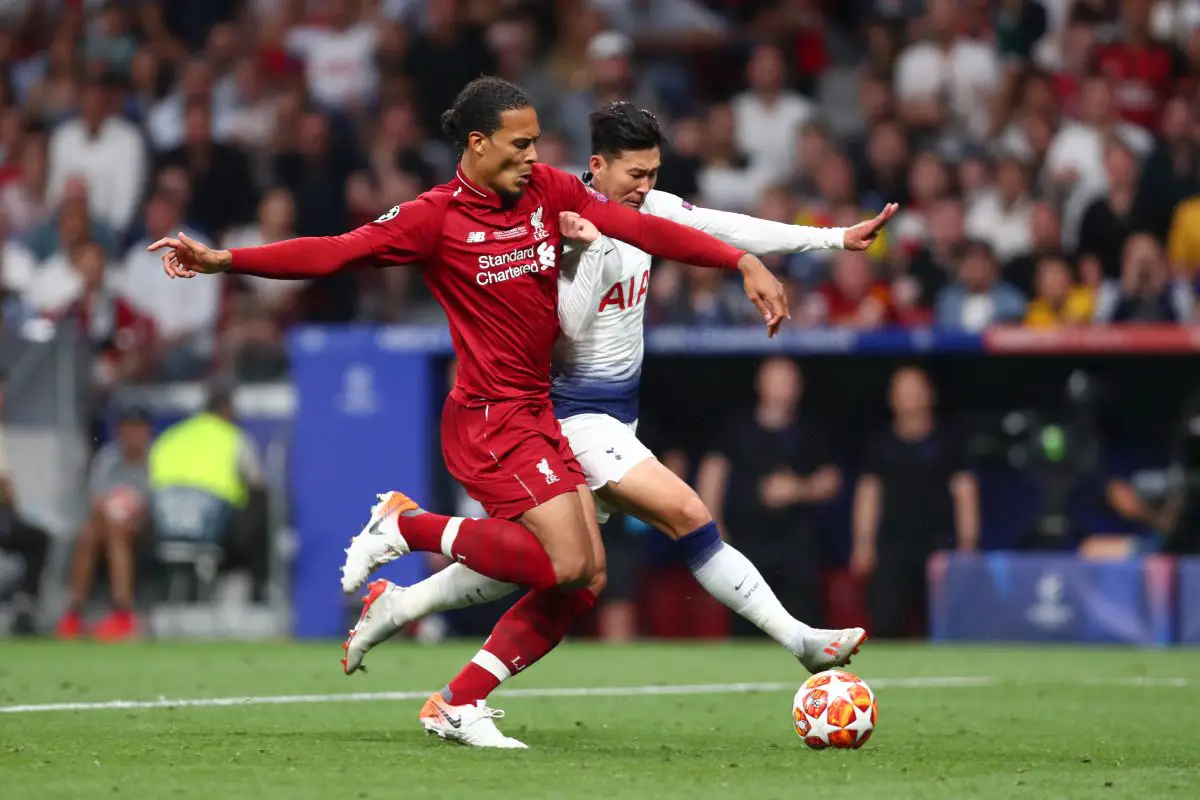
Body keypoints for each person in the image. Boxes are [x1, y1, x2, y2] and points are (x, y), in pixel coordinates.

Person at [148, 77, 787, 749]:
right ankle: (409, 527)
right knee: (567, 565)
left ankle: (458, 701)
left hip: (536, 412)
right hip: (486, 419)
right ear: (477, 145)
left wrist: (739, 260)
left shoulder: (550, 191)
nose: (533, 156)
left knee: (583, 580)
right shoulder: (435, 216)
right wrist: (225, 259)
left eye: (537, 142)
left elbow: (641, 227)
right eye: (520, 143)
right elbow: (337, 251)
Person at [341, 102, 892, 682]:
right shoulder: (556, 224)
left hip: (615, 417)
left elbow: (725, 225)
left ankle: (403, 609)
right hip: (570, 416)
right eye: (636, 175)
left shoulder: (647, 209)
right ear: (597, 166)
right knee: (688, 514)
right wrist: (591, 251)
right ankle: (799, 639)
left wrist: (833, 239)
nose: (646, 188)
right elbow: (565, 333)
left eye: (655, 173)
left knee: (553, 571)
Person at [56, 404, 153, 640]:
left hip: (148, 529)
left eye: (137, 428)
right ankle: (78, 613)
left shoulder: (156, 459)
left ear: (147, 431)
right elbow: (96, 501)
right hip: (111, 528)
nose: (132, 434)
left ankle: (120, 613)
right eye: (127, 428)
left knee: (107, 527)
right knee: (91, 532)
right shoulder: (108, 459)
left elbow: (156, 503)